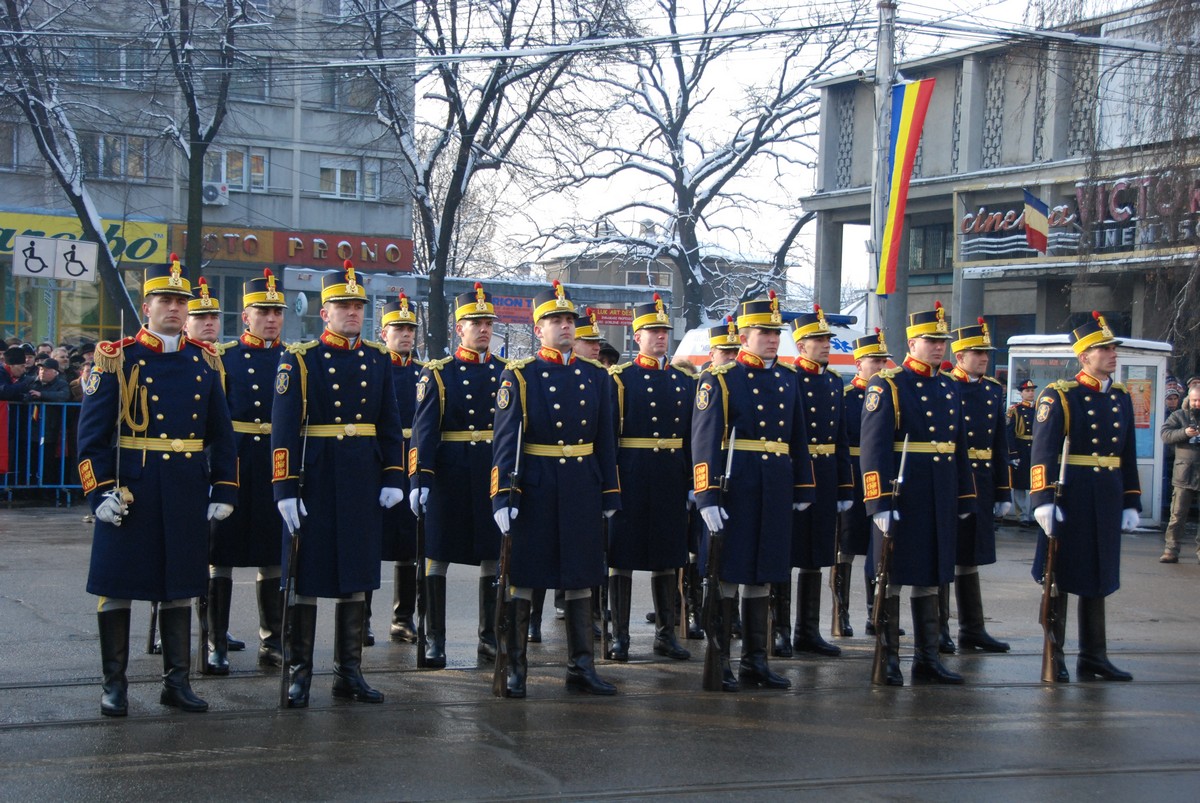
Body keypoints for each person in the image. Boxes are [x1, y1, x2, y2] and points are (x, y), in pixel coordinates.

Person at [77, 256, 238, 716]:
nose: (173, 308)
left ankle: (176, 682)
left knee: (179, 586)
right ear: (146, 306)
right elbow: (91, 438)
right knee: (118, 585)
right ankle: (115, 685)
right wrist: (98, 492)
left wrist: (224, 488)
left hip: (185, 486)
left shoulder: (204, 360)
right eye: (164, 300)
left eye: (180, 302)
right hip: (133, 487)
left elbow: (221, 435)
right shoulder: (118, 358)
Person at [271, 260, 407, 707]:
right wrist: (284, 487)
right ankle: (299, 672)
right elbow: (284, 429)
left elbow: (389, 422)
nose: (352, 313)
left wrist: (393, 474)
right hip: (317, 475)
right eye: (342, 306)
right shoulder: (301, 359)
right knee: (308, 577)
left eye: (357, 306)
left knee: (357, 576)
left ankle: (349, 672)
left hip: (362, 476)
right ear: (324, 312)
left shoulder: (377, 358)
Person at [490, 280, 621, 698]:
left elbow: (606, 440)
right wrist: (503, 495)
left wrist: (609, 492)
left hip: (582, 483)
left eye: (568, 320)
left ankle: (582, 666)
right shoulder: (521, 375)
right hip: (538, 485)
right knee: (525, 576)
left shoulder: (595, 376)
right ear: (538, 327)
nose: (565, 327)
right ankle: (515, 667)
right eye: (555, 321)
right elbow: (505, 443)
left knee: (582, 576)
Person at [691, 292, 814, 692]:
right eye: (764, 332)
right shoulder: (721, 378)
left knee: (765, 573)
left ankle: (756, 662)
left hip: (775, 484)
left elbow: (798, 438)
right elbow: (704, 441)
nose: (773, 339)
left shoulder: (787, 379)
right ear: (744, 336)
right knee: (729, 572)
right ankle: (721, 660)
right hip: (737, 484)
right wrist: (706, 495)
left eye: (775, 332)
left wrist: (802, 484)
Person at [859, 301, 974, 686]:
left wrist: (963, 496)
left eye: (942, 340)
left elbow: (958, 447)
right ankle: (888, 657)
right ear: (911, 343)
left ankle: (927, 658)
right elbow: (874, 448)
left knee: (931, 576)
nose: (939, 347)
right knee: (891, 576)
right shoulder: (888, 385)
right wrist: (878, 502)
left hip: (937, 493)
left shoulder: (948, 386)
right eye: (930, 340)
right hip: (902, 496)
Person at [1030, 311, 1140, 682]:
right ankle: (1055, 653)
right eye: (1103, 348)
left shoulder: (1121, 397)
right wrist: (1042, 499)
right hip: (1071, 496)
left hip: (1106, 497)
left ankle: (1094, 656)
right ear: (1084, 356)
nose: (1112, 353)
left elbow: (1127, 454)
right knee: (1060, 575)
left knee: (1099, 575)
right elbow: (1042, 453)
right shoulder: (1061, 396)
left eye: (1112, 347)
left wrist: (1130, 500)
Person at [409, 283, 503, 668]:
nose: (483, 329)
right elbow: (424, 432)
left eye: (487, 323)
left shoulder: (505, 373)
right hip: (450, 473)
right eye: (474, 323)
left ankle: (490, 635)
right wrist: (420, 479)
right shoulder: (439, 374)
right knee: (438, 554)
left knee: (493, 556)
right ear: (457, 328)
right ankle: (435, 638)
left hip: (490, 473)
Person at [206, 270, 288, 674]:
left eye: (277, 312)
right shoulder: (223, 358)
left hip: (275, 463)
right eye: (263, 311)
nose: (271, 319)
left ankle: (272, 639)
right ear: (246, 316)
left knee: (272, 554)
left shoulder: (294, 359)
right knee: (221, 553)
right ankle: (215, 639)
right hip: (235, 462)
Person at [607, 293, 693, 662]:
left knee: (668, 556)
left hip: (670, 476)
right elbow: (608, 438)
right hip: (632, 474)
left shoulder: (683, 381)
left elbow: (692, 436)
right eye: (653, 331)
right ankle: (620, 636)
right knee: (621, 556)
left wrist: (692, 482)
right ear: (636, 336)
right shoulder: (620, 379)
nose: (661, 337)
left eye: (664, 331)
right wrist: (610, 486)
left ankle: (666, 633)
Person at [773, 305, 852, 659]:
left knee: (816, 554)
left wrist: (845, 486)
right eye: (817, 340)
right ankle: (780, 630)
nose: (825, 345)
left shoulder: (835, 382)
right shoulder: (790, 378)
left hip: (827, 473)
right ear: (801, 345)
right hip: (794, 474)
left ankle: (809, 629)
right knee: (786, 552)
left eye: (827, 339)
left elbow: (843, 437)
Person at [944, 319, 1012, 654]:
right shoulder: (946, 385)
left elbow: (1001, 443)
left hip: (982, 479)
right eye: (977, 352)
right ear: (959, 355)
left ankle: (973, 628)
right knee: (944, 553)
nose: (984, 358)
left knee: (971, 556)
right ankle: (940, 628)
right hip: (954, 476)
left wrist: (1004, 490)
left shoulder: (992, 390)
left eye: (986, 352)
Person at [378, 292, 424, 644]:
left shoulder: (425, 373)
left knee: (410, 546)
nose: (406, 335)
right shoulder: (376, 368)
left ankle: (402, 617)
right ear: (384, 333)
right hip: (381, 459)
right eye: (399, 328)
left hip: (412, 462)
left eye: (410, 328)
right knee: (369, 540)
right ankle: (360, 616)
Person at [841, 329, 892, 636]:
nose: (881, 366)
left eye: (884, 361)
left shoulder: (889, 393)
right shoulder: (846, 396)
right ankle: (842, 613)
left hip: (877, 478)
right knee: (845, 546)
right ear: (859, 363)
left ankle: (877, 612)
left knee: (879, 545)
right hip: (852, 475)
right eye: (874, 361)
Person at [1158, 385, 1200, 564]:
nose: (1197, 404)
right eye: (1194, 400)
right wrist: (1184, 433)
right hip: (1184, 473)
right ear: (1188, 400)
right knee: (1177, 515)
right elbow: (1165, 435)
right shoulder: (1179, 416)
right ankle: (1171, 550)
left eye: (1199, 400)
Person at [1006, 379, 1037, 527]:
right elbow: (1010, 433)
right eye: (1027, 391)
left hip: (1036, 448)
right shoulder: (1015, 410)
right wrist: (1013, 453)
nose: (1030, 393)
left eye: (1032, 391)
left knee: (1035, 483)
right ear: (1021, 393)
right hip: (1022, 448)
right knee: (1020, 484)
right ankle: (1022, 515)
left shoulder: (1039, 409)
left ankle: (1033, 514)